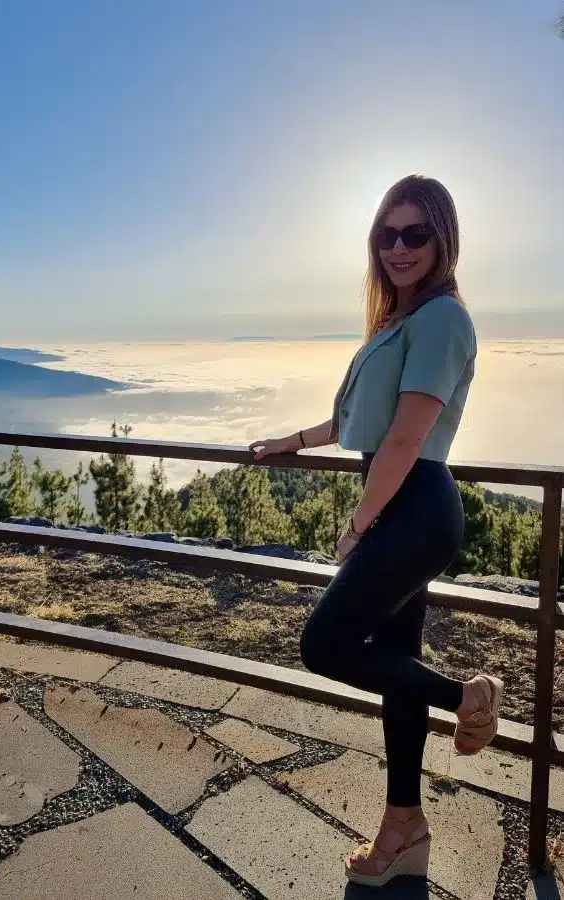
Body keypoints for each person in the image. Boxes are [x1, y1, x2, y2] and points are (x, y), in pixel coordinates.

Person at [248, 174, 504, 888]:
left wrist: (359, 527)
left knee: (323, 644)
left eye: (414, 233)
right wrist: (289, 442)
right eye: (386, 233)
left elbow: (404, 439)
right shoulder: (396, 320)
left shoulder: (444, 319)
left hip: (414, 510)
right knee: (397, 671)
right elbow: (357, 421)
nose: (398, 246)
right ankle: (404, 827)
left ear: (443, 239)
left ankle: (470, 697)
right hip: (402, 506)